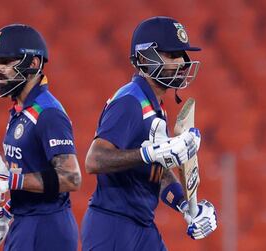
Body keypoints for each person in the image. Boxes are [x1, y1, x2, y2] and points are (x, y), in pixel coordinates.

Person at [81, 16, 217, 251]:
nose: (183, 63)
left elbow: (159, 173)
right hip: (113, 226)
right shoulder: (130, 101)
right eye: (173, 55)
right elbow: (94, 160)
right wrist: (148, 153)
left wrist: (187, 207)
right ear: (145, 58)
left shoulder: (155, 106)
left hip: (142, 225)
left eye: (182, 55)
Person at [0, 24, 81, 251]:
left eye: (6, 61)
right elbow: (31, 169)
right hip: (27, 221)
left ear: (33, 64)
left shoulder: (47, 113)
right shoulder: (21, 110)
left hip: (47, 228)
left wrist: (9, 181)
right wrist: (7, 212)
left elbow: (71, 178)